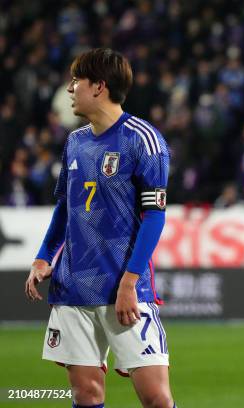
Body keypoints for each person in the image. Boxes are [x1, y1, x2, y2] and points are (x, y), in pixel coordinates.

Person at [24, 48, 177, 408]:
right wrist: (44, 257)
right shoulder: (75, 142)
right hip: (74, 286)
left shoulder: (143, 140)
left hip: (124, 289)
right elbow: (65, 207)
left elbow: (154, 217)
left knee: (156, 397)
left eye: (77, 80)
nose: (70, 89)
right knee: (86, 395)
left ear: (99, 87)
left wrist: (129, 282)